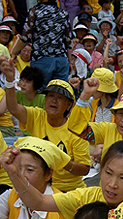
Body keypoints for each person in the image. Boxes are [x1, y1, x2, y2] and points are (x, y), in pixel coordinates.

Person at [0, 140, 123, 219]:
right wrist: (13, 173)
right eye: (108, 173)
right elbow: (38, 202)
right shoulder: (87, 197)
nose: (112, 184)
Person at [2, 58, 91, 192]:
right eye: (50, 96)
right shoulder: (37, 116)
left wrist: (61, 161)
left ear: (68, 105)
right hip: (36, 185)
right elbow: (13, 108)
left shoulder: (77, 129)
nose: (53, 100)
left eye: (60, 98)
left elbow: (84, 169)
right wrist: (9, 81)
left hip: (66, 190)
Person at [12, 0, 71, 83]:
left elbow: (25, 37)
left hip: (42, 59)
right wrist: (70, 62)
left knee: (40, 92)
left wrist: (13, 52)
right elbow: (68, 41)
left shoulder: (35, 12)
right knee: (60, 92)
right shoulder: (63, 14)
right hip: (61, 60)